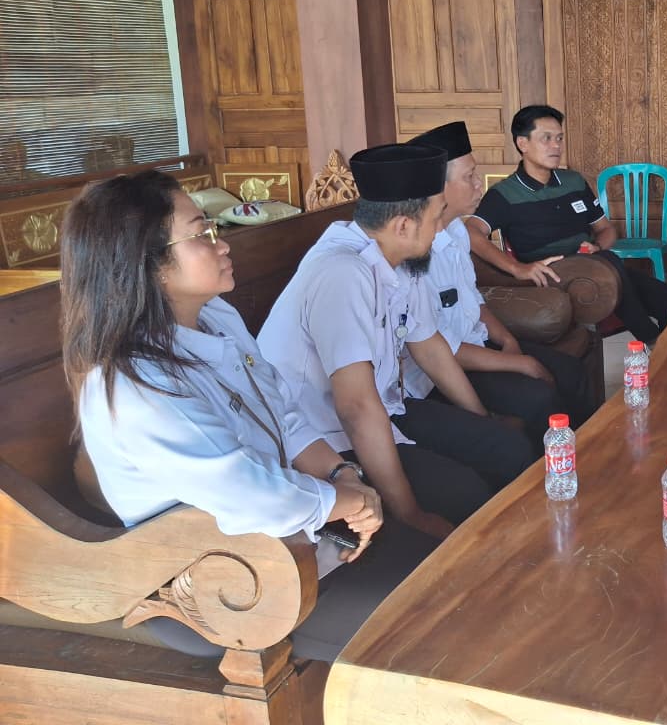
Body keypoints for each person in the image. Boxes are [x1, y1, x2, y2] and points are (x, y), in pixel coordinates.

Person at [67, 170, 436, 662]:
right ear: (148, 264)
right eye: (201, 234)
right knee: (431, 621)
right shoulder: (137, 383)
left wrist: (342, 473)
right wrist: (343, 501)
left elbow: (281, 413)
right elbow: (245, 491)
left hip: (292, 538)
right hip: (222, 583)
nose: (221, 244)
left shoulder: (217, 318)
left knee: (445, 571)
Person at [259, 143, 529, 538]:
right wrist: (409, 512)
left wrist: (482, 416)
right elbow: (354, 407)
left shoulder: (400, 259)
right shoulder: (342, 273)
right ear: (403, 225)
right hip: (321, 436)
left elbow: (429, 346)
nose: (440, 229)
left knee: (508, 448)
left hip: (385, 408)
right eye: (436, 217)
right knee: (464, 493)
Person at [403, 121, 595, 440]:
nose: (479, 184)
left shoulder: (456, 231)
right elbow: (436, 351)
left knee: (571, 371)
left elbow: (472, 299)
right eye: (469, 177)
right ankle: (550, 467)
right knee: (538, 396)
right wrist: (520, 365)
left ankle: (591, 452)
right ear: (438, 189)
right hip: (447, 368)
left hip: (478, 343)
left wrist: (507, 341)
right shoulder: (413, 254)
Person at [465, 104, 667, 345]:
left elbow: (606, 229)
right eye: (546, 138)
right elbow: (471, 231)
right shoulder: (504, 194)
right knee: (611, 263)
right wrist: (517, 268)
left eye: (559, 138)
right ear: (523, 144)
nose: (556, 146)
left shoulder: (573, 181)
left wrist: (597, 246)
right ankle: (650, 339)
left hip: (594, 263)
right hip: (551, 273)